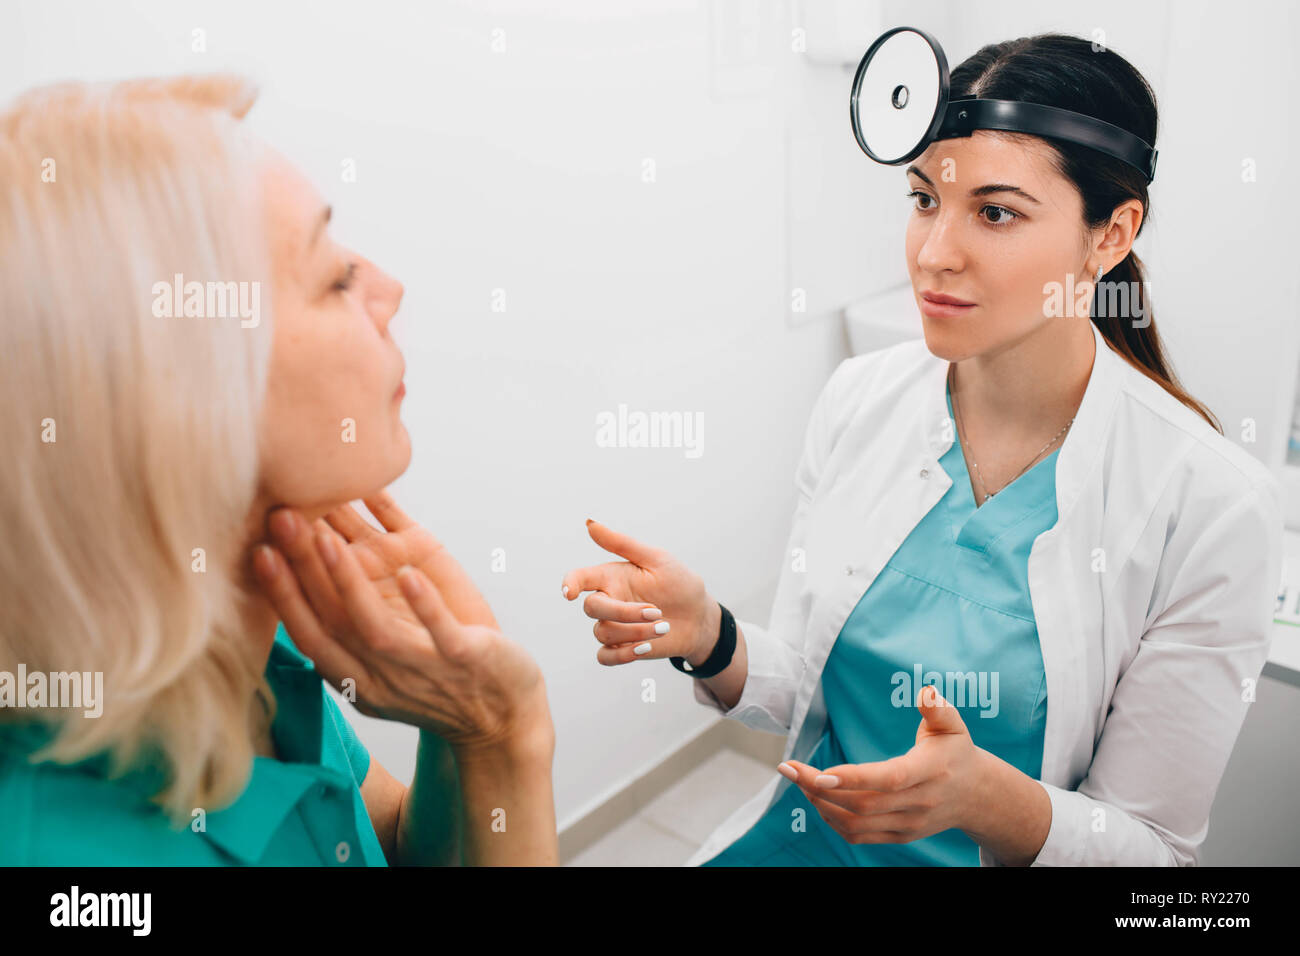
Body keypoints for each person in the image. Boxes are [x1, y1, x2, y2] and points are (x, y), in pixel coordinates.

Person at [561, 33, 1285, 866]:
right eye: (923, 199)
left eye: (996, 212)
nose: (934, 252)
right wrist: (710, 633)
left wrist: (988, 800)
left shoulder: (1212, 505)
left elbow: (1155, 852)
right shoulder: (860, 401)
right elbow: (809, 692)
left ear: (1110, 236)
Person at [0, 75, 556, 865]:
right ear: (181, 411)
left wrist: (458, 717)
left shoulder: (237, 645)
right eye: (335, 278)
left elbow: (390, 839)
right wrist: (508, 736)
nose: (390, 292)